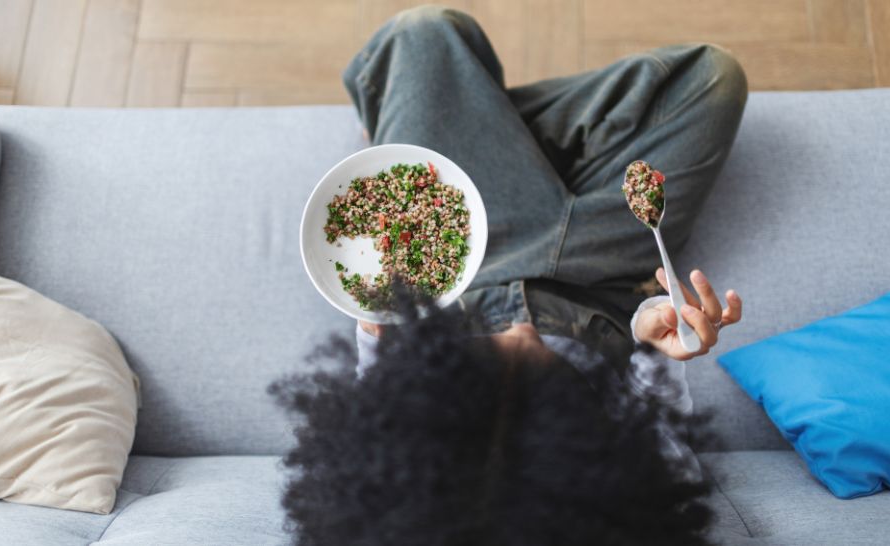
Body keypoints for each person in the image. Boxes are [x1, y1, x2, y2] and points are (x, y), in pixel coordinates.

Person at [271, 5, 747, 545]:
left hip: (463, 276)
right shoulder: (637, 495)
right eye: (543, 365)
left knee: (424, 33)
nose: (523, 331)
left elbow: (377, 393)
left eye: (495, 356)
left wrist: (382, 331)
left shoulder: (409, 487)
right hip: (598, 273)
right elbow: (658, 418)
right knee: (712, 78)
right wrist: (654, 346)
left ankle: (472, 131)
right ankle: (484, 135)